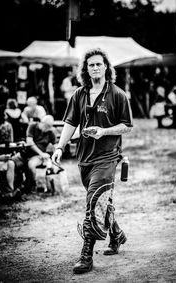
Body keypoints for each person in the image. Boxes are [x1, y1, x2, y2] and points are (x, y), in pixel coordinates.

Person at [52, 48, 133, 274]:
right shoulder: (78, 94)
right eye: (91, 65)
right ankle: (116, 235)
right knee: (101, 201)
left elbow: (127, 126)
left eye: (99, 64)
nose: (95, 68)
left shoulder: (118, 95)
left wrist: (104, 131)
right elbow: (70, 123)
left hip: (107, 157)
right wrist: (60, 147)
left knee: (94, 201)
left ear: (106, 66)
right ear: (86, 70)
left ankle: (86, 255)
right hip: (84, 158)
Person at [7, 115, 57, 194]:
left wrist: (55, 158)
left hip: (38, 156)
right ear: (42, 122)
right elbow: (29, 142)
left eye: (50, 127)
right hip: (26, 153)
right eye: (47, 126)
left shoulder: (50, 132)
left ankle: (33, 186)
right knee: (11, 162)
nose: (48, 128)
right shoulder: (33, 126)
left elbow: (55, 146)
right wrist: (42, 153)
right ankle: (12, 187)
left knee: (31, 165)